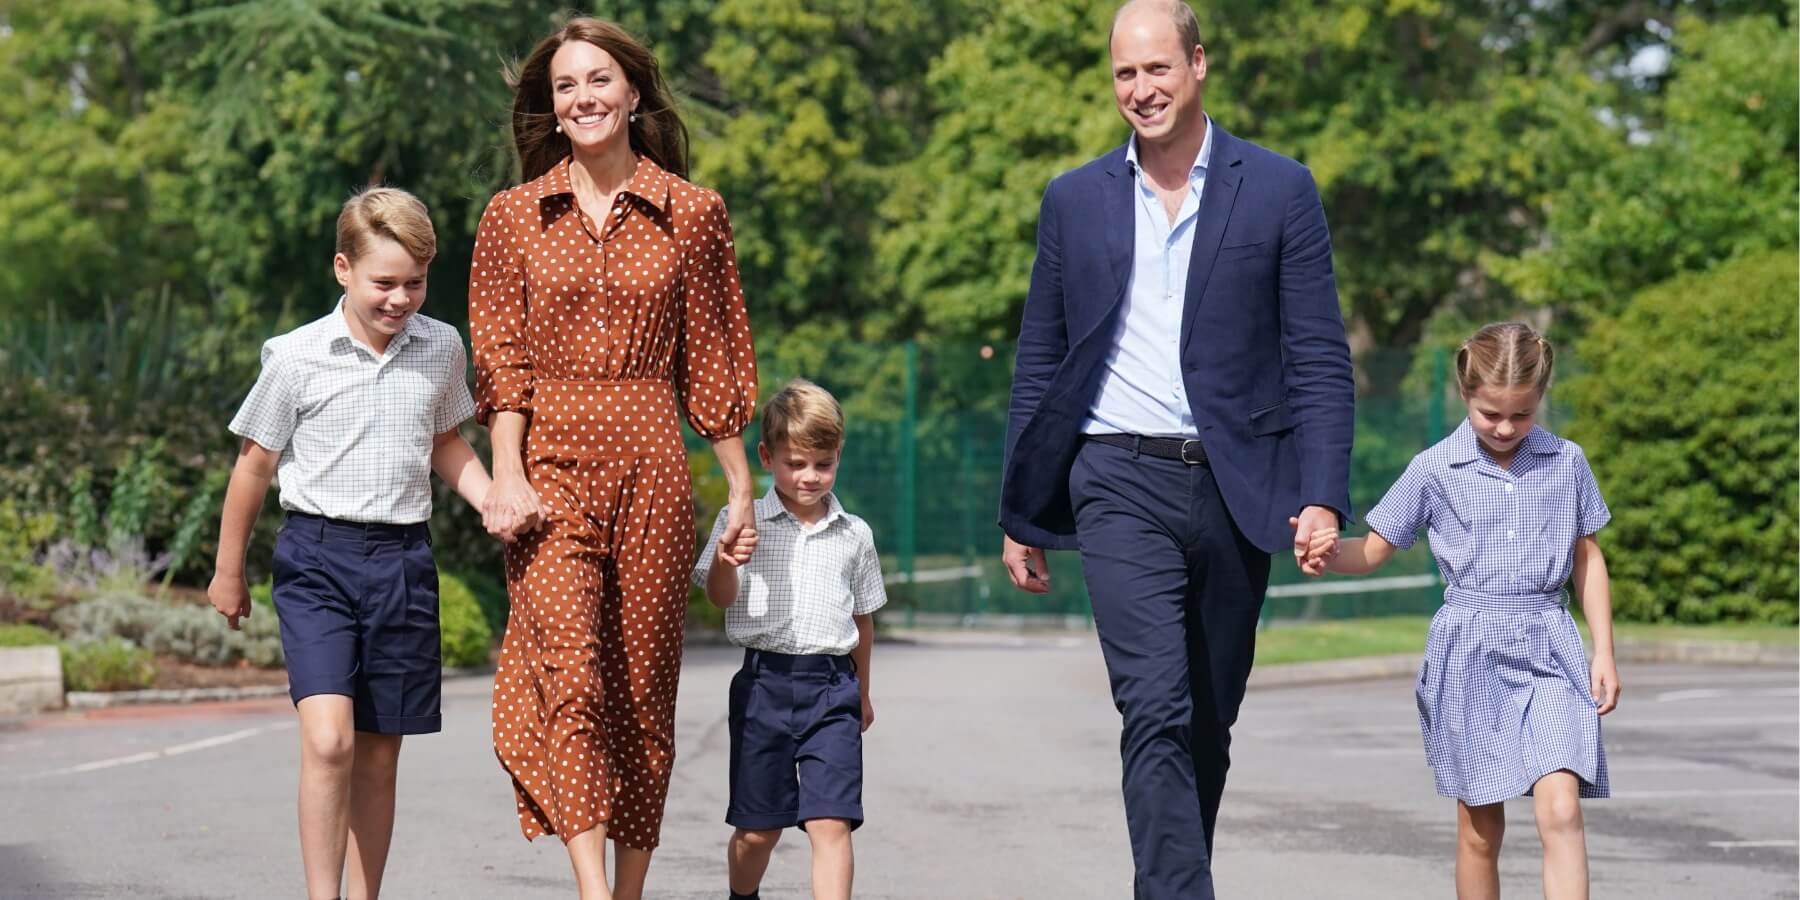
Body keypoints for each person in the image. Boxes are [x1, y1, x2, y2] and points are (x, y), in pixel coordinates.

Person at [997, 1, 1355, 895]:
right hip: (1115, 476)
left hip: (1240, 487)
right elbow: (1040, 357)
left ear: (1198, 65)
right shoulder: (1074, 198)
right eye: (1125, 73)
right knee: (1152, 705)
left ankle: (1168, 877)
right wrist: (1020, 510)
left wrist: (1323, 494)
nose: (1141, 90)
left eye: (1157, 69)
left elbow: (1317, 355)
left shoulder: (1279, 189)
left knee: (1206, 720)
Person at [468, 16, 758, 900]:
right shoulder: (515, 216)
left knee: (641, 693)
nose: (583, 97)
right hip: (549, 463)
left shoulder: (694, 211)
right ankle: (593, 890)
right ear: (551, 109)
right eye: (565, 86)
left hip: (652, 466)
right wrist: (507, 473)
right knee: (573, 674)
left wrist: (741, 487)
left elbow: (712, 356)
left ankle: (627, 892)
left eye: (599, 81)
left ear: (633, 93)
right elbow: (501, 361)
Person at [208, 186, 491, 900]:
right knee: (330, 739)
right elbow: (255, 465)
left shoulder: (440, 346)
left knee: (378, 755)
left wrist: (490, 497)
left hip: (402, 562)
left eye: (416, 283)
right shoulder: (297, 357)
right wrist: (228, 570)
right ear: (343, 269)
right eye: (384, 283)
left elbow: (446, 442)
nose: (401, 299)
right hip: (317, 560)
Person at [1302, 322, 1619, 900]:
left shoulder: (1566, 461)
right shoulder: (1433, 468)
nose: (1504, 428)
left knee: (1562, 809)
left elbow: (1587, 558)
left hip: (1550, 644)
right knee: (1480, 830)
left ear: (1540, 399)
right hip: (1469, 652)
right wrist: (1324, 553)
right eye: (1489, 413)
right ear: (1464, 395)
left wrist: (1605, 651)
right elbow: (1373, 549)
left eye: (1520, 415)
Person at [693, 379, 885, 900]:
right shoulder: (740, 521)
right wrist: (727, 560)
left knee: (832, 824)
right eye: (795, 463)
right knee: (758, 832)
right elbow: (717, 596)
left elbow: (862, 621)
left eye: (823, 464)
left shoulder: (855, 534)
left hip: (832, 690)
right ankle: (742, 895)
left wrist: (861, 692)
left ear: (838, 457)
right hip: (763, 688)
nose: (809, 477)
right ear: (766, 456)